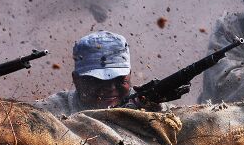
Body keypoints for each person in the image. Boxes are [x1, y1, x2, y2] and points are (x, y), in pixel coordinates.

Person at [36, 31, 185, 116]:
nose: (110, 87)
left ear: (129, 75)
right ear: (76, 79)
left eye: (119, 79)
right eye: (97, 80)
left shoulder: (153, 107)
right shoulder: (51, 111)